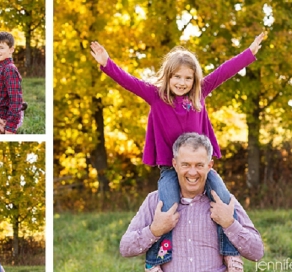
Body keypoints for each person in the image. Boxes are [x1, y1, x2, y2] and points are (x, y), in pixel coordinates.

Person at [90, 32, 265, 270]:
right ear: (168, 76)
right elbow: (129, 81)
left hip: (199, 164)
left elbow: (224, 71)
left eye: (188, 78)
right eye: (177, 77)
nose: (182, 83)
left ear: (195, 80)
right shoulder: (156, 96)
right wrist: (107, 64)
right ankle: (155, 262)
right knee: (168, 209)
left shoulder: (199, 95)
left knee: (223, 200)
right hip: (170, 170)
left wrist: (249, 52)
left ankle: (230, 253)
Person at [120, 133, 264, 272]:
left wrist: (229, 224)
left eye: (199, 165)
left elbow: (257, 253)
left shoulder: (224, 202)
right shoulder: (155, 202)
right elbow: (125, 248)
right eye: (186, 165)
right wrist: (154, 230)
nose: (193, 172)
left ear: (209, 166)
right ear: (175, 164)